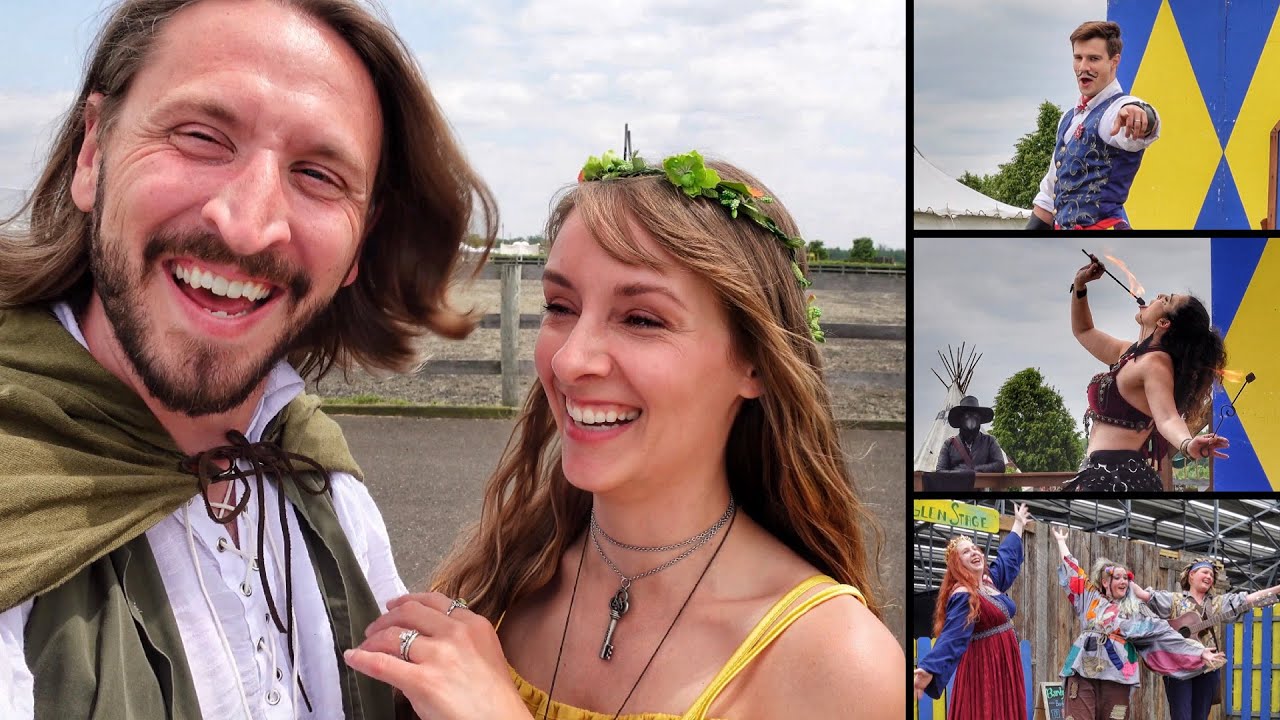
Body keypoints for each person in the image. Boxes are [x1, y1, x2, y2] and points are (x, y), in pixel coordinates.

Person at [0, 0, 497, 717]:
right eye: (201, 136)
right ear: (92, 152)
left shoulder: (317, 472)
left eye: (320, 175)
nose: (249, 223)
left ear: (362, 240)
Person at [342, 149, 904, 719]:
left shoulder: (834, 663)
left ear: (754, 362)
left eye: (641, 319)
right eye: (560, 306)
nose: (569, 361)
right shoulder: (502, 584)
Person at [1062, 254, 1228, 491]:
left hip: (1118, 478)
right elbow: (1083, 331)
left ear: (1163, 323)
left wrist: (1187, 444)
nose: (1158, 296)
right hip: (1102, 473)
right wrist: (1080, 286)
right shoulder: (1127, 352)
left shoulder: (1155, 363)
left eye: (1166, 300)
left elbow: (1167, 417)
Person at [1053, 527, 1223, 720]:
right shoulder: (1090, 598)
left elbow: (1165, 633)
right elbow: (1075, 573)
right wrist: (1061, 542)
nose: (1123, 581)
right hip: (1082, 671)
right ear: (1104, 581)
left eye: (1126, 578)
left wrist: (1199, 651)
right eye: (1117, 577)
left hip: (1118, 677)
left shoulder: (1135, 614)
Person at [1027, 21, 1160, 230]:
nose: (1083, 67)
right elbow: (1048, 193)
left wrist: (1141, 115)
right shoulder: (1067, 118)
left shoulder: (1117, 110)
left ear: (1114, 61)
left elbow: (1140, 122)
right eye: (1078, 58)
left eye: (1094, 59)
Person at [913, 503, 1032, 719]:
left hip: (1005, 664)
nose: (974, 552)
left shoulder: (989, 581)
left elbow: (1007, 558)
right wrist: (929, 668)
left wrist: (1018, 524)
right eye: (965, 552)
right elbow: (952, 636)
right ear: (958, 564)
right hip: (986, 667)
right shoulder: (963, 594)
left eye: (975, 548)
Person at [1133, 559, 1280, 720]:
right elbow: (1141, 594)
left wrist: (1277, 589)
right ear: (1191, 575)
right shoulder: (1173, 600)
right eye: (1205, 572)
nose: (1209, 576)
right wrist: (1122, 577)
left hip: (1207, 667)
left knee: (1201, 716)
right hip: (1178, 667)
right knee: (1180, 715)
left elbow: (1248, 599)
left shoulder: (1218, 603)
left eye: (1211, 574)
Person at [935, 396, 1006, 473]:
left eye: (975, 416)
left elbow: (1000, 465)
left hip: (983, 484)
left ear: (980, 420)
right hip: (957, 484)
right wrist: (960, 473)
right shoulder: (949, 444)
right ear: (961, 419)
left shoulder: (989, 441)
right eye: (967, 415)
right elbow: (940, 470)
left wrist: (977, 469)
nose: (971, 419)